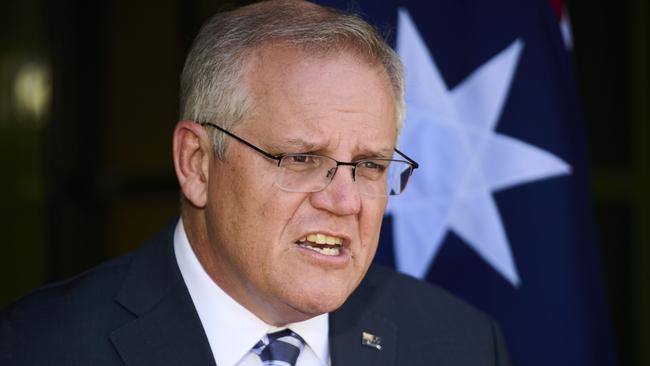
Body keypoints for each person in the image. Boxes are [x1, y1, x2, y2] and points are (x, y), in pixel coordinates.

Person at [0, 1, 511, 365]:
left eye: (371, 165)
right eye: (301, 158)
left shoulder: (462, 343)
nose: (345, 200)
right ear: (197, 163)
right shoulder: (36, 346)